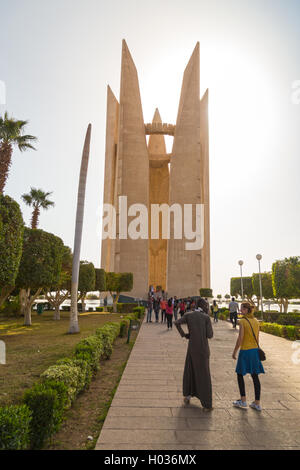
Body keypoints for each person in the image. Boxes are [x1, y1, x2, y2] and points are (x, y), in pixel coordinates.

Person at [175, 298, 214, 411]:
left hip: (191, 348)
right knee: (204, 375)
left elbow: (177, 322)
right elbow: (210, 335)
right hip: (202, 349)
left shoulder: (189, 315)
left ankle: (187, 396)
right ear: (204, 306)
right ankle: (207, 404)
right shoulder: (205, 317)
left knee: (189, 370)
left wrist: (185, 335)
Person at [232, 302, 265, 411]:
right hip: (255, 351)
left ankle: (243, 400)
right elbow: (258, 337)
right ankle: (257, 403)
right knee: (255, 376)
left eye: (242, 309)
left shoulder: (242, 321)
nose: (241, 311)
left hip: (245, 351)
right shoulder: (256, 321)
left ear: (246, 310)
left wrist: (234, 351)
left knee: (240, 375)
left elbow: (240, 338)